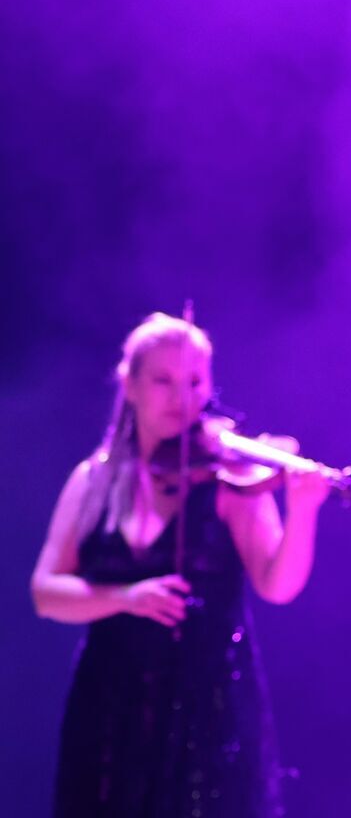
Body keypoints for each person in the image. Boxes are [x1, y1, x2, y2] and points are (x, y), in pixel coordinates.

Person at [31, 313, 330, 817]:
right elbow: (46, 592)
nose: (182, 397)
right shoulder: (93, 481)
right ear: (129, 385)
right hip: (109, 703)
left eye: (195, 382)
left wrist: (302, 511)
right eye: (163, 381)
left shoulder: (230, 478)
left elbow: (277, 585)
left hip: (207, 703)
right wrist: (124, 598)